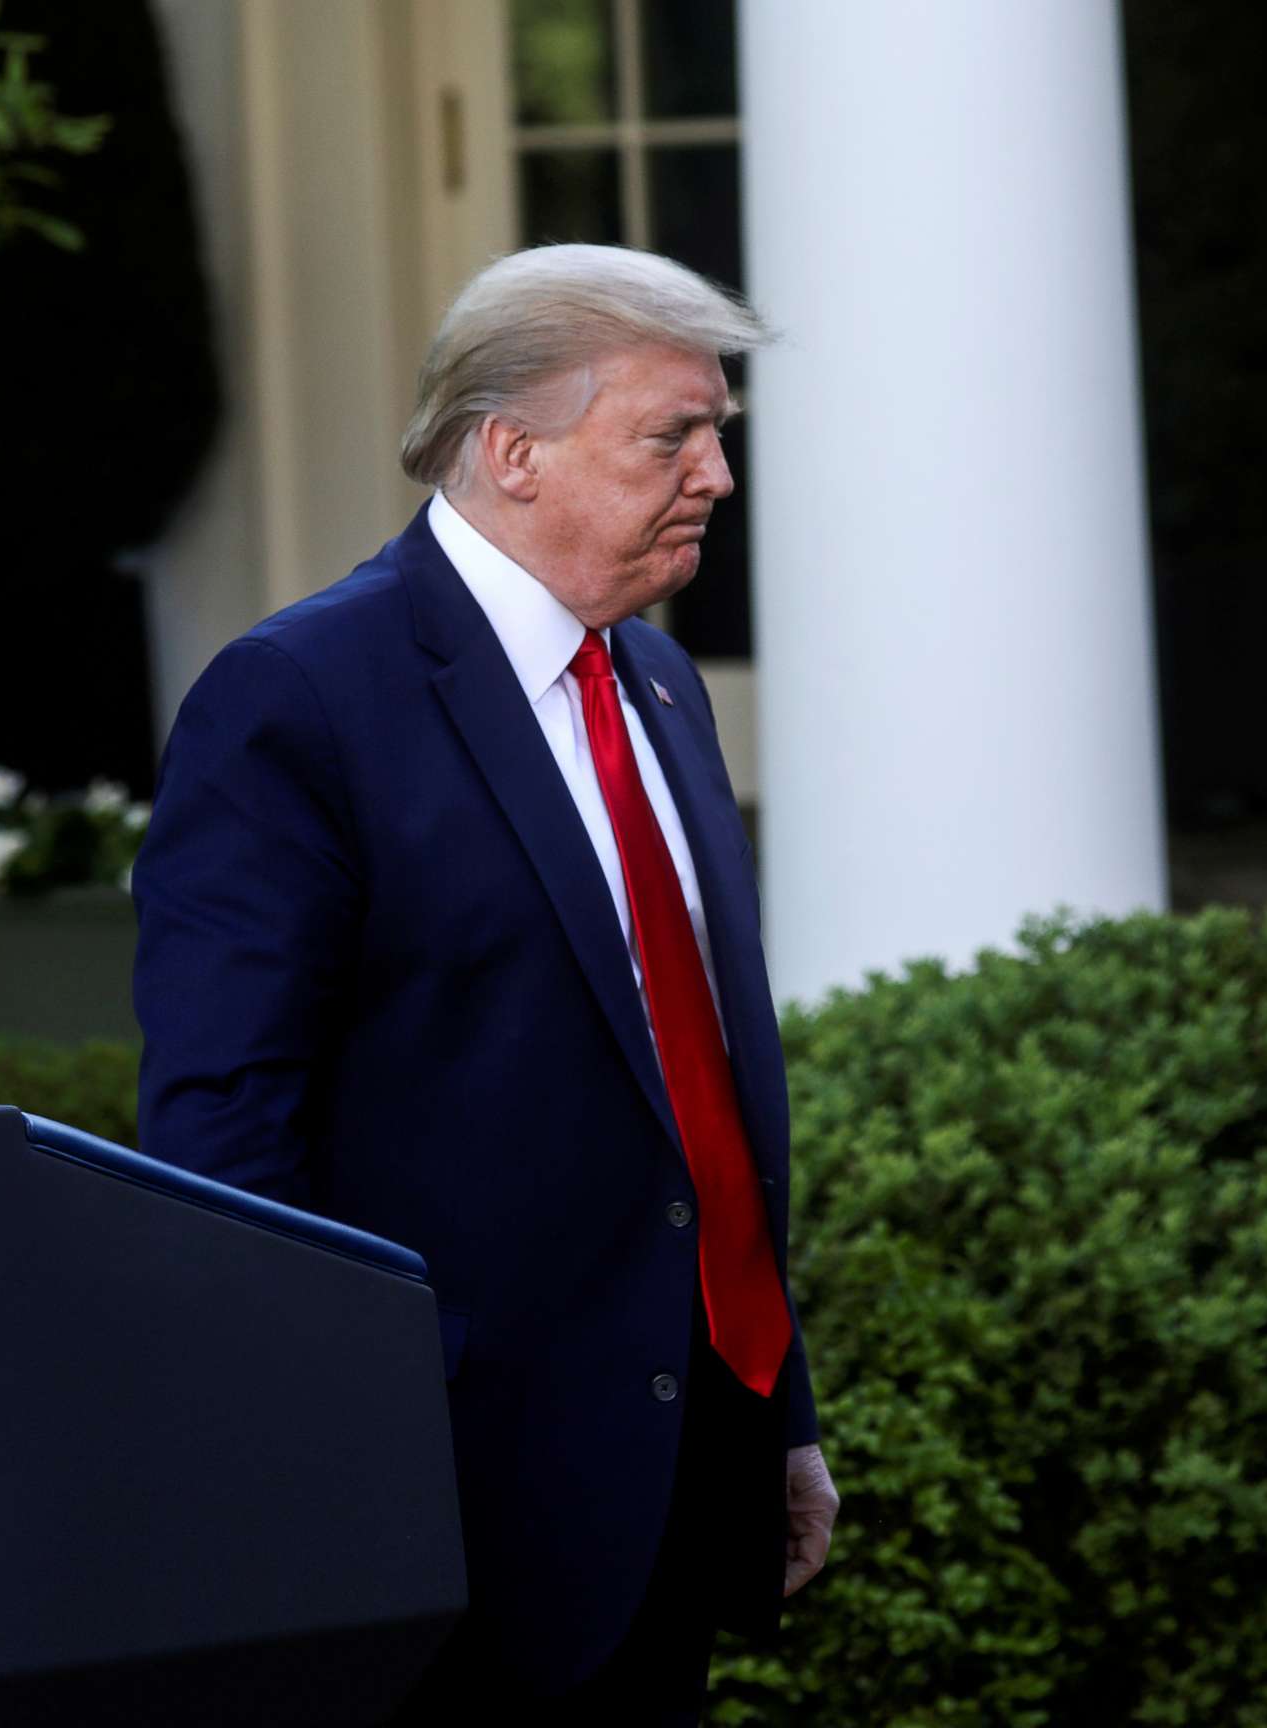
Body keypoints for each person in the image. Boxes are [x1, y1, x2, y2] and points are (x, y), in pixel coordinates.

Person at [132, 244, 836, 1724]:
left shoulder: (656, 682)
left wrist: (777, 1413)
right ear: (511, 450)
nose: (715, 473)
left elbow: (696, 1083)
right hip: (439, 1509)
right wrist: (317, 1473)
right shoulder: (302, 701)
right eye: (671, 435)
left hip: (679, 1474)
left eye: (717, 432)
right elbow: (220, 1140)